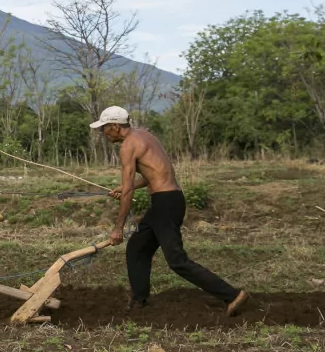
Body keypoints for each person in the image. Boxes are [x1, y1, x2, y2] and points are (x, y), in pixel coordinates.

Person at [91, 105, 249, 316]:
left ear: (115, 126)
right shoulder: (145, 136)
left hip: (165, 204)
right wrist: (127, 187)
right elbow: (155, 173)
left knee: (177, 261)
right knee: (137, 248)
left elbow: (128, 192)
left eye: (104, 128)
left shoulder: (127, 146)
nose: (102, 133)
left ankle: (232, 294)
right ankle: (140, 301)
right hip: (168, 201)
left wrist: (118, 227)